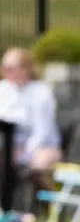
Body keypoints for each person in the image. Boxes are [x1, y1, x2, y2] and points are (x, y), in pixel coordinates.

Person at [0, 47, 62, 179]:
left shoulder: (41, 93)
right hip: (7, 146)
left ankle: (43, 198)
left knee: (39, 165)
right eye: (4, 67)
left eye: (10, 68)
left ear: (24, 69)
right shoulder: (3, 89)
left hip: (41, 147)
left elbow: (41, 132)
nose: (5, 72)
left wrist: (23, 153)